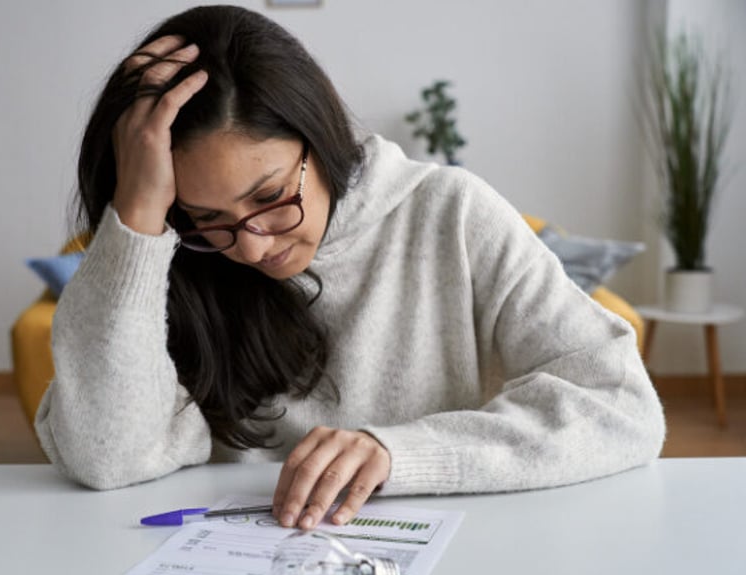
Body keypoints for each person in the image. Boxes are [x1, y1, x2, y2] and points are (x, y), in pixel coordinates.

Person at [35, 5, 665, 530]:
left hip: (439, 560)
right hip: (229, 574)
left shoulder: (451, 213)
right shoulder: (169, 251)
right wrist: (140, 217)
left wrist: (399, 453)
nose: (251, 248)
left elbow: (620, 405)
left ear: (319, 132)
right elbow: (106, 456)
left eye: (270, 197)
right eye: (208, 218)